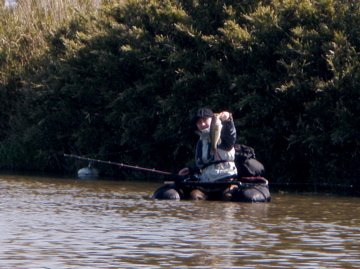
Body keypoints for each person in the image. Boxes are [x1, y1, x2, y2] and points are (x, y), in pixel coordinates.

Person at [152, 108, 239, 201]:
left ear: (213, 120)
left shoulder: (222, 133)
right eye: (199, 122)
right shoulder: (201, 141)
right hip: (207, 183)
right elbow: (204, 165)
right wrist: (191, 169)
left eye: (205, 120)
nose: (202, 124)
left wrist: (228, 119)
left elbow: (231, 136)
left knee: (227, 197)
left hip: (226, 180)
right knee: (194, 196)